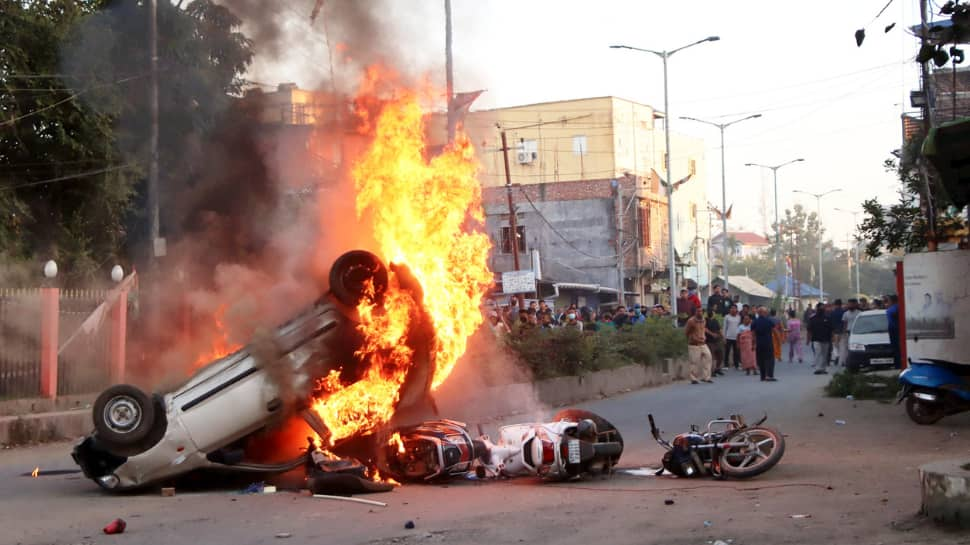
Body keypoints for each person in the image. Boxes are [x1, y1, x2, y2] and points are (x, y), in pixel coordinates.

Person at [685, 307, 713, 384]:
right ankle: (693, 378)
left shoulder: (704, 320)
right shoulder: (691, 321)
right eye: (698, 311)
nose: (700, 313)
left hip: (703, 343)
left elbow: (703, 329)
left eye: (701, 311)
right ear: (695, 312)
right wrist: (693, 338)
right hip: (694, 344)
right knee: (694, 362)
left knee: (708, 357)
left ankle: (706, 377)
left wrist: (704, 336)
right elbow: (686, 332)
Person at [751, 306, 778, 381]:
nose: (766, 313)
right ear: (764, 313)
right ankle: (769, 375)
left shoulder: (754, 322)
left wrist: (753, 344)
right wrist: (778, 340)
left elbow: (753, 335)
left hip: (759, 344)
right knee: (770, 359)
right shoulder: (769, 321)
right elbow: (775, 331)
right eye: (765, 312)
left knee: (761, 360)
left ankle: (763, 376)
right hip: (768, 343)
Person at [807, 302, 833, 374]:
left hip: (826, 339)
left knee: (824, 354)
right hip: (816, 339)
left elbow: (831, 329)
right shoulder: (813, 318)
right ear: (817, 308)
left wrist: (832, 337)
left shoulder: (828, 318)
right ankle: (817, 368)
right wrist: (808, 339)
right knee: (818, 353)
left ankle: (823, 369)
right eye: (820, 308)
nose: (822, 309)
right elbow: (809, 329)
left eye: (823, 307)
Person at [840, 298, 861, 367]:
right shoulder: (845, 314)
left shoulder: (859, 313)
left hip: (857, 333)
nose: (850, 305)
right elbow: (845, 324)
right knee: (846, 347)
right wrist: (843, 333)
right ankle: (845, 361)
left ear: (855, 304)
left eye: (852, 304)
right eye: (849, 304)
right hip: (848, 333)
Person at [705, 309, 725, 376]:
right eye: (713, 313)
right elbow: (705, 329)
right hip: (709, 341)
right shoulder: (705, 320)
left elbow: (719, 329)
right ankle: (712, 371)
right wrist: (712, 334)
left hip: (717, 340)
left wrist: (723, 337)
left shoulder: (715, 321)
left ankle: (717, 369)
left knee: (720, 355)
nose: (714, 314)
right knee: (712, 356)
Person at [723, 305, 741, 370]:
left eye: (734, 308)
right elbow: (724, 327)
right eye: (732, 308)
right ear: (730, 309)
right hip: (728, 337)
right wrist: (724, 337)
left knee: (736, 352)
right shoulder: (727, 317)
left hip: (736, 337)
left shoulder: (739, 317)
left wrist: (739, 337)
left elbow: (739, 327)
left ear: (736, 309)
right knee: (727, 351)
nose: (733, 310)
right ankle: (726, 365)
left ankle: (736, 365)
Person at [829, 299, 846, 366]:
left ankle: (837, 356)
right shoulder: (844, 312)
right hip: (843, 331)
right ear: (841, 304)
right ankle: (842, 361)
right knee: (843, 346)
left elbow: (831, 323)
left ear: (835, 305)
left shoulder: (832, 313)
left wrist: (831, 332)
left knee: (835, 346)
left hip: (835, 332)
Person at [886, 294, 901, 369]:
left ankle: (898, 364)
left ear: (891, 301)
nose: (888, 302)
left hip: (894, 329)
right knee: (897, 348)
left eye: (888, 300)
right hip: (895, 329)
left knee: (896, 348)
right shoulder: (897, 307)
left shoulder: (893, 309)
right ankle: (898, 363)